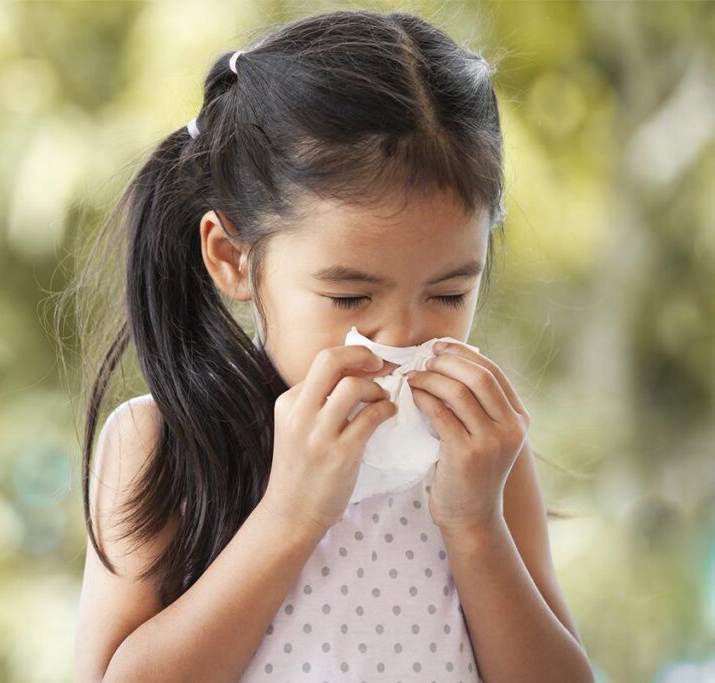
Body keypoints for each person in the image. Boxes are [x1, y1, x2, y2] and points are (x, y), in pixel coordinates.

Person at [68, 9, 593, 682]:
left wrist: (475, 525)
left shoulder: (480, 456)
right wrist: (291, 514)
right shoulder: (161, 444)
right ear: (231, 258)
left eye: (447, 294)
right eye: (349, 297)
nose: (402, 338)